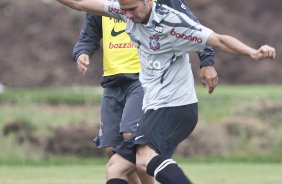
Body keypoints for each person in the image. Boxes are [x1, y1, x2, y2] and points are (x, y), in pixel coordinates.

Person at [56, 0, 276, 183]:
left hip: (176, 106)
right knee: (115, 168)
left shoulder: (172, 21)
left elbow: (218, 39)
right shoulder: (122, 9)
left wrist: (253, 53)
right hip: (155, 106)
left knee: (144, 158)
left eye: (132, 9)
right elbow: (78, 3)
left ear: (148, 1)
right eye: (125, 11)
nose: (128, 16)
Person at [73, 0, 218, 184]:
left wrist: (207, 61)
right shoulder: (104, 3)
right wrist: (83, 52)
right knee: (112, 150)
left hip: (143, 77)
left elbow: (194, 28)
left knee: (132, 138)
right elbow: (89, 34)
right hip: (112, 80)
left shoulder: (160, 3)